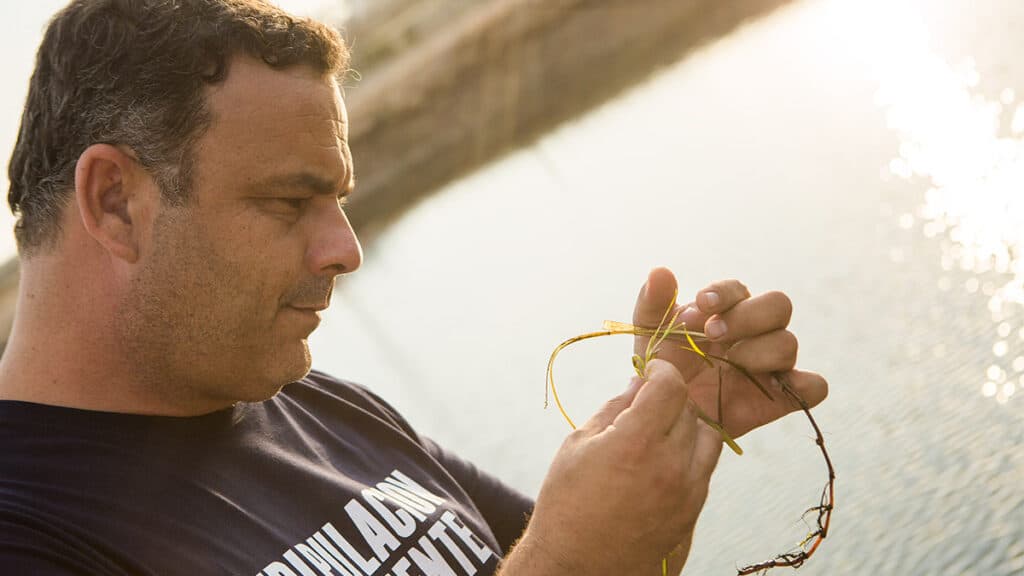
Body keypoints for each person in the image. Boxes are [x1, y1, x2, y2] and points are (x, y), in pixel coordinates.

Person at [0, 1, 828, 574]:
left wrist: (665, 441)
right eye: (291, 201)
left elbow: (587, 559)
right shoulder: (29, 537)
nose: (345, 250)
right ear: (115, 203)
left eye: (339, 200)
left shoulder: (317, 405)